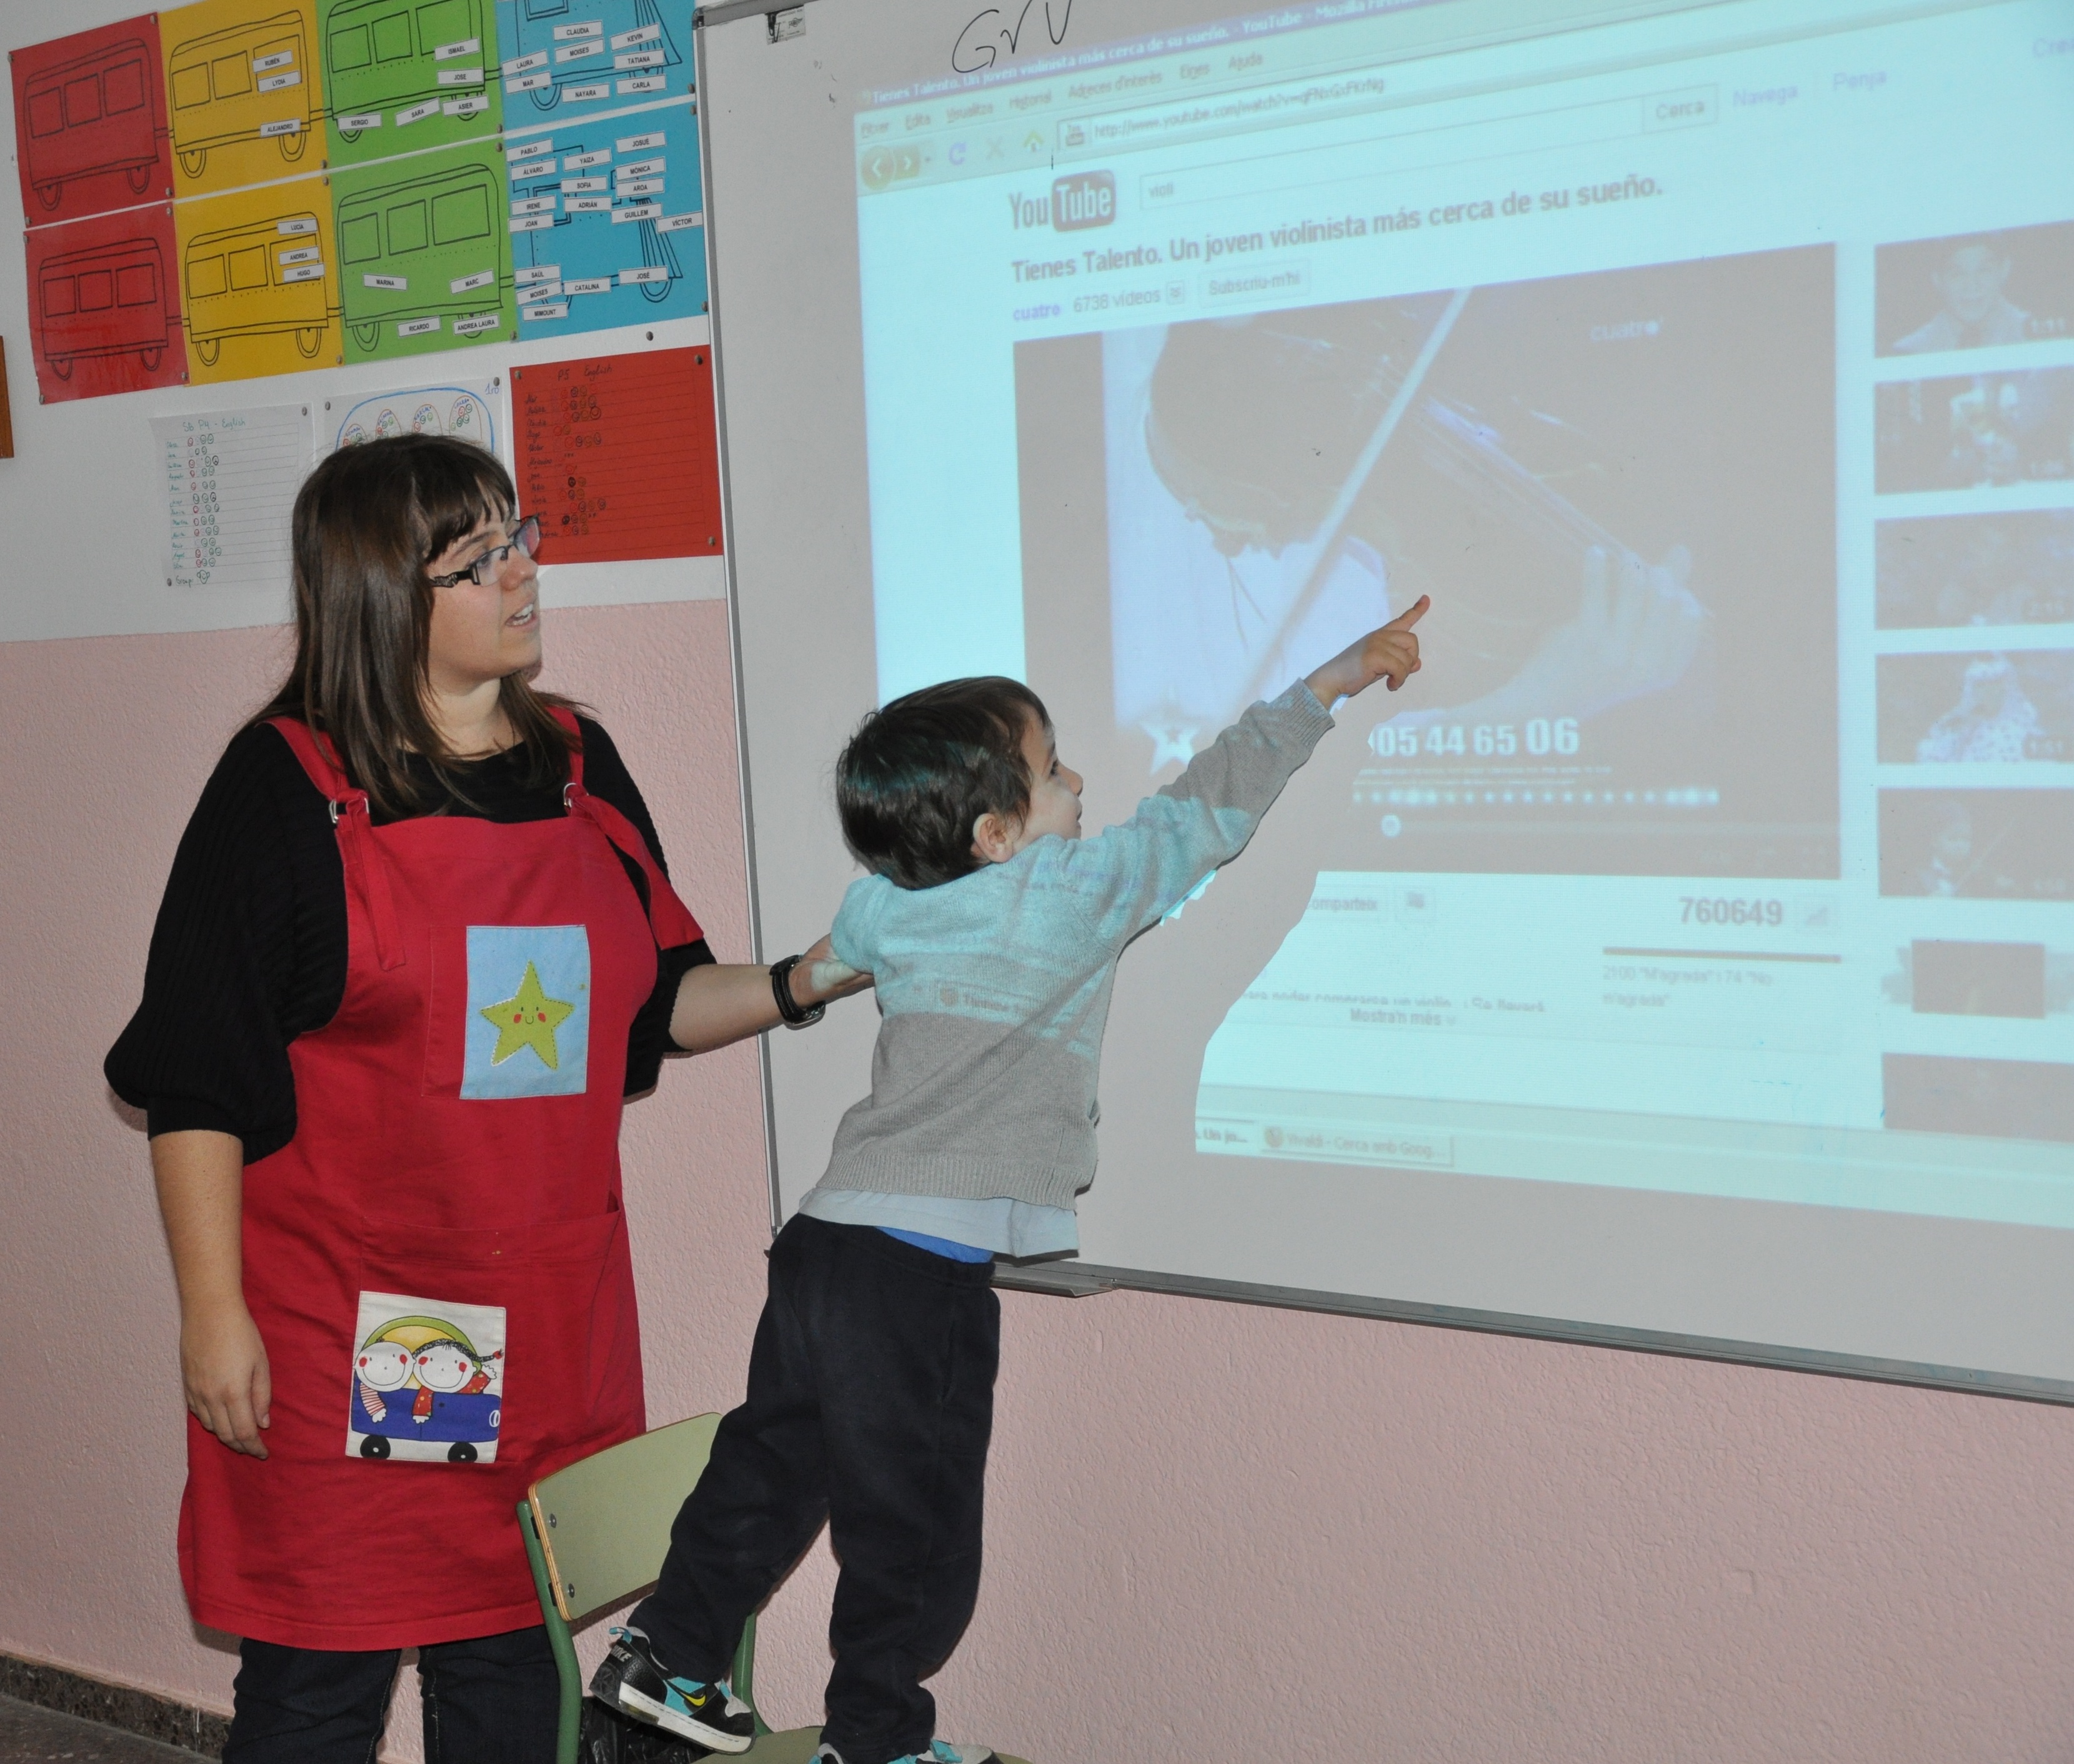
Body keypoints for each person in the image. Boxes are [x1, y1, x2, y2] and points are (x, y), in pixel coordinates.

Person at [104, 434, 866, 1763]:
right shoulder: (284, 788)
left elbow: (656, 1004)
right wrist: (212, 1317)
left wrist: (816, 975)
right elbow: (196, 1081)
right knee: (318, 1694)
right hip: (354, 1339)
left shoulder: (578, 763)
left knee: (517, 1690)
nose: (522, 574)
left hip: (547, 1328)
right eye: (477, 558)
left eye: (519, 539)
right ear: (384, 596)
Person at [589, 600, 1431, 1764]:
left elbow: (835, 959)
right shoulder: (1070, 892)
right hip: (913, 1274)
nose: (1079, 781)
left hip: (825, 1243)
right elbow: (1204, 806)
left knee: (773, 1463)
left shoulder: (880, 904)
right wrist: (1323, 684)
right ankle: (875, 1740)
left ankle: (666, 1655)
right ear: (995, 833)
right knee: (915, 1524)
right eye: (1053, 770)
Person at [1893, 237, 2030, 353]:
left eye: (1984, 271)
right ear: (1938, 280)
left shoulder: (2032, 337)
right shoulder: (1910, 351)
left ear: (2005, 270)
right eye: (1957, 274)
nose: (1972, 286)